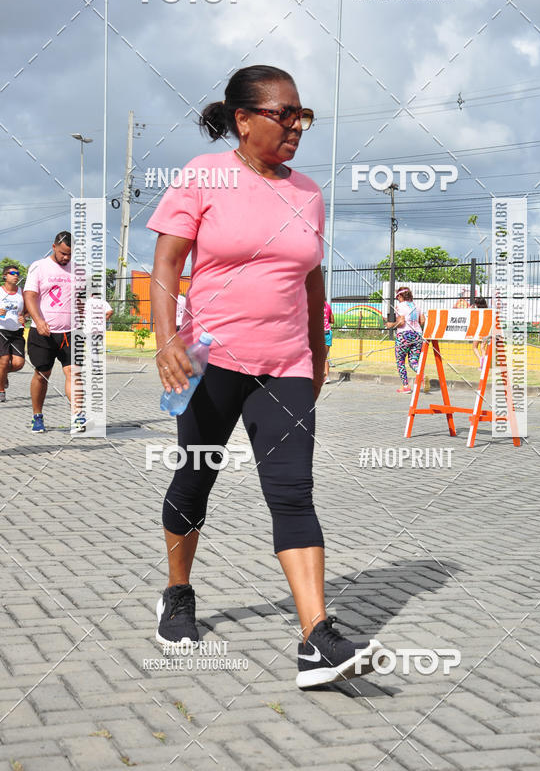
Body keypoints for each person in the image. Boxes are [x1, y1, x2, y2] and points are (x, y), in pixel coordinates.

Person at [147, 65, 382, 688]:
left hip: (286, 366)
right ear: (244, 119)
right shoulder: (204, 175)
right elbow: (167, 262)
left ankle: (316, 638)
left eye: (302, 116)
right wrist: (166, 338)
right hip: (210, 361)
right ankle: (177, 592)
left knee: (294, 492)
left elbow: (311, 276)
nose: (296, 127)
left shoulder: (307, 192)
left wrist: (318, 350)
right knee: (195, 477)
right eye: (284, 114)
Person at [23, 232, 84, 433]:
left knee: (73, 372)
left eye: (70, 254)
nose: (66, 258)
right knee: (42, 374)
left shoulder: (78, 270)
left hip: (71, 332)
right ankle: (37, 416)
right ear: (54, 247)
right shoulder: (39, 266)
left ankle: (77, 416)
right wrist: (38, 321)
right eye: (63, 253)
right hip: (43, 332)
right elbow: (30, 296)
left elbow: (80, 299)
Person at [386, 285, 425, 393]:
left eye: (397, 297)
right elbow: (422, 321)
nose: (397, 299)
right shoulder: (417, 306)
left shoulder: (400, 306)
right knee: (413, 361)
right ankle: (422, 374)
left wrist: (391, 325)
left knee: (400, 361)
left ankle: (406, 386)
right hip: (417, 335)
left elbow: (401, 322)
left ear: (401, 296)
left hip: (404, 335)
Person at [0, 265, 27, 402]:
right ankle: (1, 391)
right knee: (4, 361)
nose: (16, 275)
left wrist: (25, 317)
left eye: (17, 273)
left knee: (18, 363)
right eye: (12, 273)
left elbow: (28, 310)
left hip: (17, 331)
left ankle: (2, 375)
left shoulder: (22, 292)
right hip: (1, 330)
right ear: (5, 276)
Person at [471, 296, 489, 368]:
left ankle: (480, 360)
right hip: (486, 330)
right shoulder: (488, 311)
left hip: (478, 330)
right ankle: (484, 364)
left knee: (475, 347)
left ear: (478, 304)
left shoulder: (476, 311)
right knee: (482, 347)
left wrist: (470, 310)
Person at [323, 300, 334, 384]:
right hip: (328, 332)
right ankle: (327, 377)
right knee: (324, 357)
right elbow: (332, 320)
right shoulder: (327, 306)